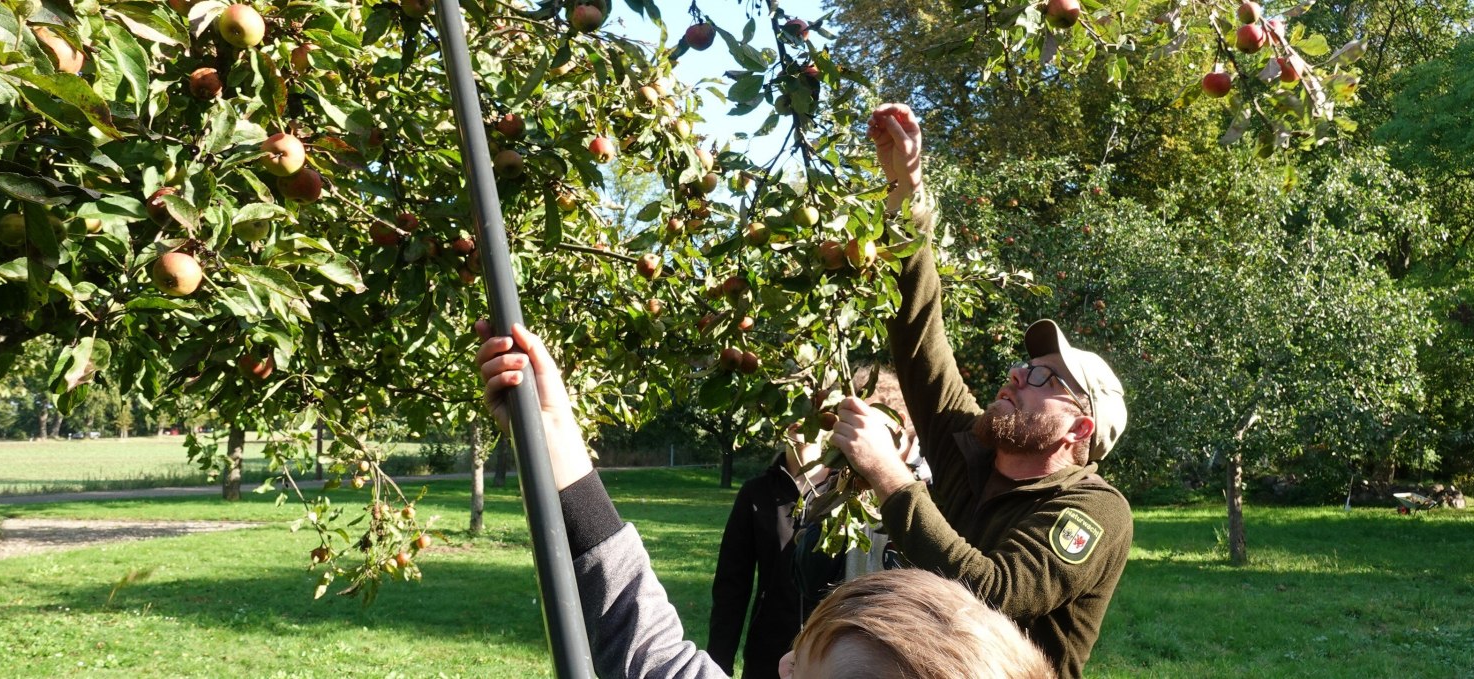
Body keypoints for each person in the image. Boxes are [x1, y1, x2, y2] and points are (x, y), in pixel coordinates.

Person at [473, 321, 1054, 679]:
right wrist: (554, 437)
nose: (782, 666)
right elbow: (692, 622)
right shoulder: (761, 495)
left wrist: (888, 474)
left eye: (801, 673)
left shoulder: (1074, 512)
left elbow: (638, 638)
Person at [823, 103, 1135, 679]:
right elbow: (919, 337)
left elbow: (995, 593)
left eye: (1045, 377)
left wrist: (888, 474)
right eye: (1025, 365)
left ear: (1079, 428)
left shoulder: (1094, 510)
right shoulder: (972, 446)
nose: (1018, 375)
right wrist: (905, 189)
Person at [709, 429, 844, 678]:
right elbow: (731, 588)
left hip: (834, 654)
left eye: (811, 401)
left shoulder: (849, 493)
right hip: (768, 654)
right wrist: (718, 666)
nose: (800, 416)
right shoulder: (756, 493)